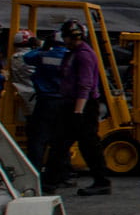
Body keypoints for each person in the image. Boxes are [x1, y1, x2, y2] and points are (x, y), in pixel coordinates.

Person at [44, 19, 113, 195]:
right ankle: (51, 181)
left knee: (86, 144)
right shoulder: (73, 53)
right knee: (62, 144)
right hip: (74, 104)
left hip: (82, 106)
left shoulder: (84, 55)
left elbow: (85, 84)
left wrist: (78, 110)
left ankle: (100, 180)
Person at [22, 31, 70, 179]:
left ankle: (34, 172)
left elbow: (27, 57)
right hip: (64, 102)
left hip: (45, 101)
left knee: (38, 139)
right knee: (61, 140)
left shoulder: (42, 56)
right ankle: (60, 174)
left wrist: (43, 47)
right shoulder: (71, 56)